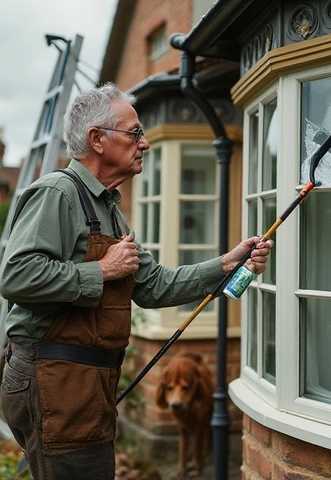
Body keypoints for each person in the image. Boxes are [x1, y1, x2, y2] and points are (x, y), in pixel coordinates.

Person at [0, 82, 273, 480]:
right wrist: (101, 270)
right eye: (135, 133)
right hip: (54, 379)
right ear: (97, 139)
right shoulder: (57, 193)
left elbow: (153, 286)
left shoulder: (109, 210)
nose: (144, 143)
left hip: (87, 382)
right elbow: (16, 275)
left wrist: (227, 265)